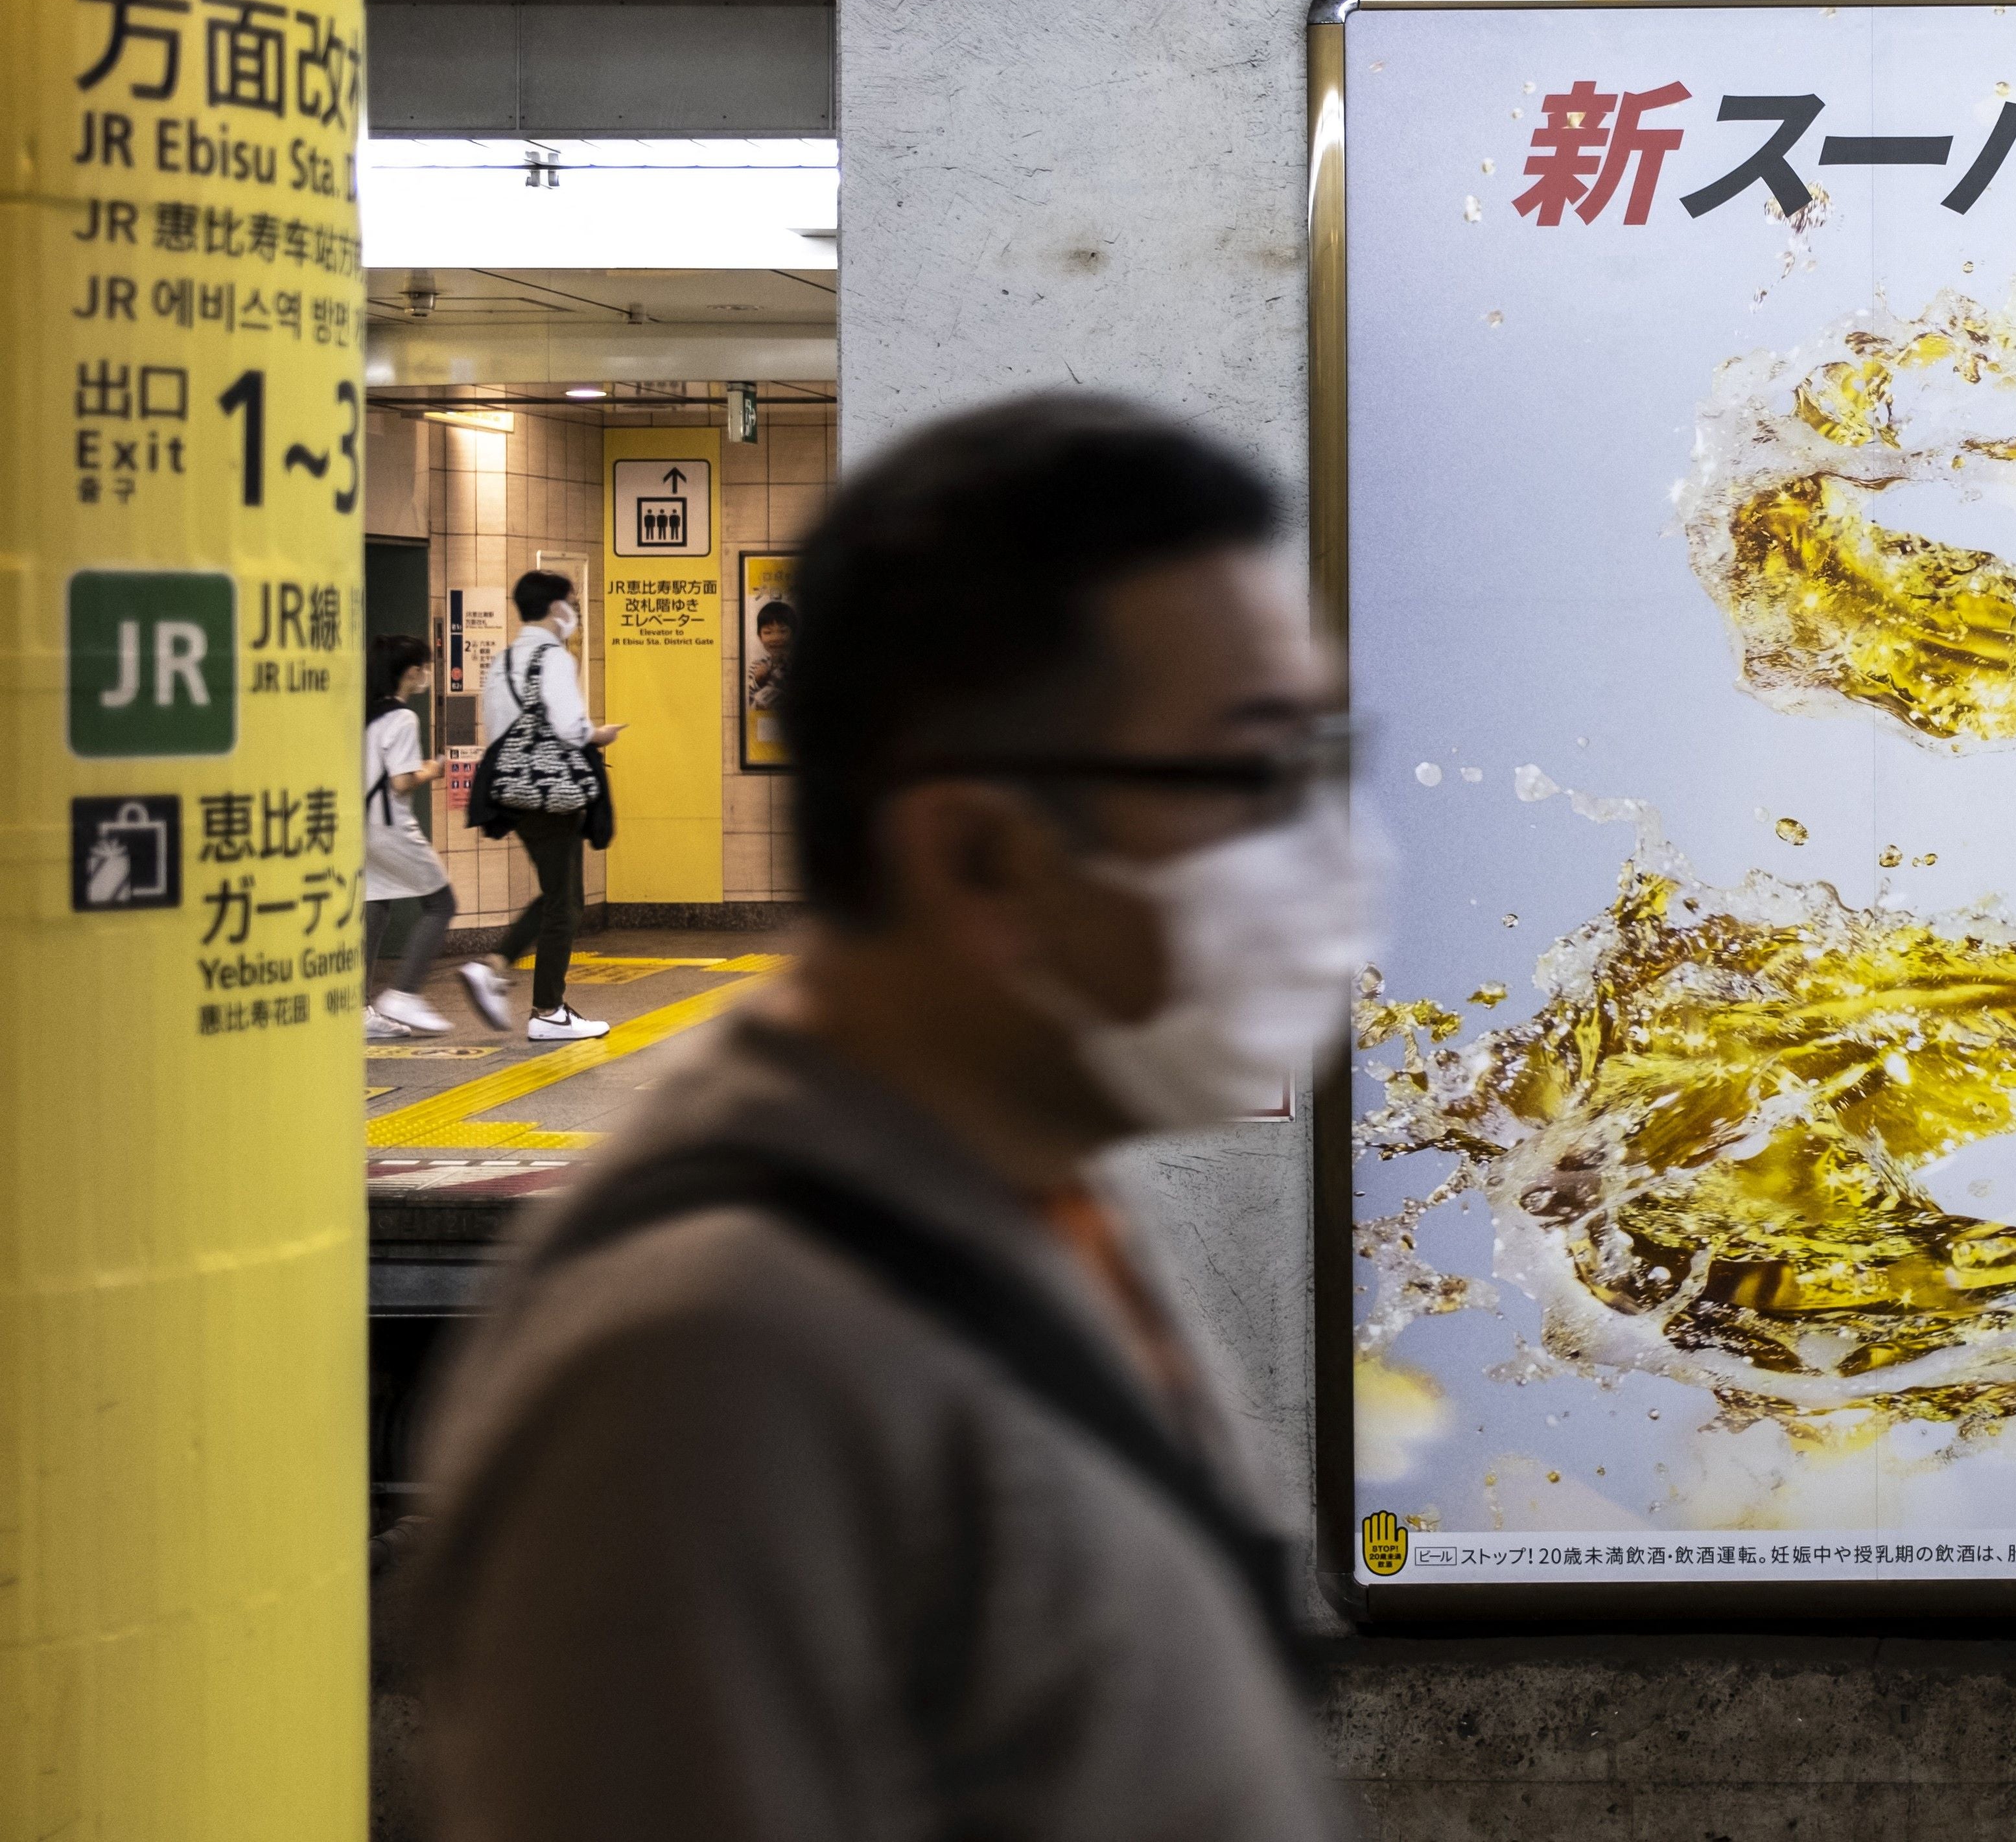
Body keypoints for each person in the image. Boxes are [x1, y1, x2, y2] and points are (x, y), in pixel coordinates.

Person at [412, 395, 1363, 1842]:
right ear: (977, 852)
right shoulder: (707, 1370)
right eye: (1246, 776)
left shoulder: (1005, 1173)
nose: (1319, 852)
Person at [465, 568, 625, 1044]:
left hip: (512, 790)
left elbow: (498, 728)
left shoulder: (503, 659)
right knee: (565, 903)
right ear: (557, 607)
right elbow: (570, 727)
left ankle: (496, 966)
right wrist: (599, 734)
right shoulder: (553, 657)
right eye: (571, 603)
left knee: (562, 893)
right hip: (552, 792)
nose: (573, 611)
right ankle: (546, 1010)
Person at [362, 635, 462, 1040]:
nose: (427, 674)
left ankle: (358, 1008)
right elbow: (401, 782)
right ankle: (404, 992)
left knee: (376, 904)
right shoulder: (403, 718)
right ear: (410, 672)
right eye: (424, 667)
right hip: (391, 825)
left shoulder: (368, 715)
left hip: (362, 826)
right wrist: (432, 770)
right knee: (442, 903)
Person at [746, 596, 795, 710]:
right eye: (768, 632)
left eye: (783, 631)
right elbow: (746, 700)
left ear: (794, 634)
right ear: (760, 636)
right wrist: (757, 681)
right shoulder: (757, 666)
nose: (776, 638)